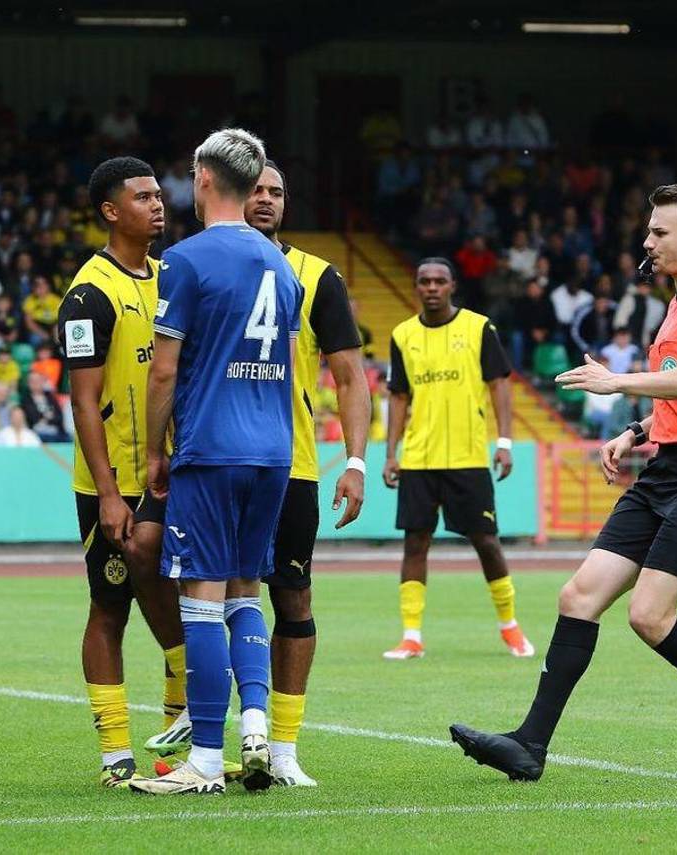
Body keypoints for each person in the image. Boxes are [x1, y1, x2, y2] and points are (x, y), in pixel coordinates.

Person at [450, 182, 677, 783]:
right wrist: (635, 431)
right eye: (648, 230)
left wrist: (618, 382)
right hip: (669, 469)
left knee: (649, 616)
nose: (646, 241)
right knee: (578, 597)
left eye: (659, 231)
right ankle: (529, 746)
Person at [130, 128, 302, 795]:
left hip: (211, 446)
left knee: (200, 599)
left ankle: (204, 757)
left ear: (203, 177)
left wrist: (153, 451)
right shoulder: (280, 262)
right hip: (272, 451)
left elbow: (165, 371)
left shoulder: (186, 260)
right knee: (246, 591)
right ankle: (255, 721)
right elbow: (285, 360)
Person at [54, 156, 184, 788]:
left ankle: (177, 744)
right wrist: (108, 492)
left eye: (159, 195)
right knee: (110, 608)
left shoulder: (169, 279)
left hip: (172, 476)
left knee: (187, 598)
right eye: (142, 197)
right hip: (113, 482)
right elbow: (82, 400)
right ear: (110, 211)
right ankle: (114, 752)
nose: (157, 205)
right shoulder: (88, 293)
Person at [239, 159, 370, 785]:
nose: (266, 200)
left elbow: (350, 376)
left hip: (290, 469)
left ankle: (283, 749)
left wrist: (354, 460)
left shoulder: (317, 277)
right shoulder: (192, 267)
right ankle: (215, 736)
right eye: (256, 189)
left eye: (277, 192)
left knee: (292, 600)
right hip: (213, 465)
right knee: (208, 601)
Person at [382, 258, 534, 660]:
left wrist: (505, 441)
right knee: (415, 543)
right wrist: (390, 453)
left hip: (468, 455)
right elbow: (398, 397)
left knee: (486, 541)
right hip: (419, 458)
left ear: (452, 286)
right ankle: (411, 635)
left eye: (439, 281)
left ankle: (510, 627)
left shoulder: (479, 328)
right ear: (417, 287)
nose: (431, 287)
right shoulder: (402, 335)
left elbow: (499, 385)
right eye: (424, 281)